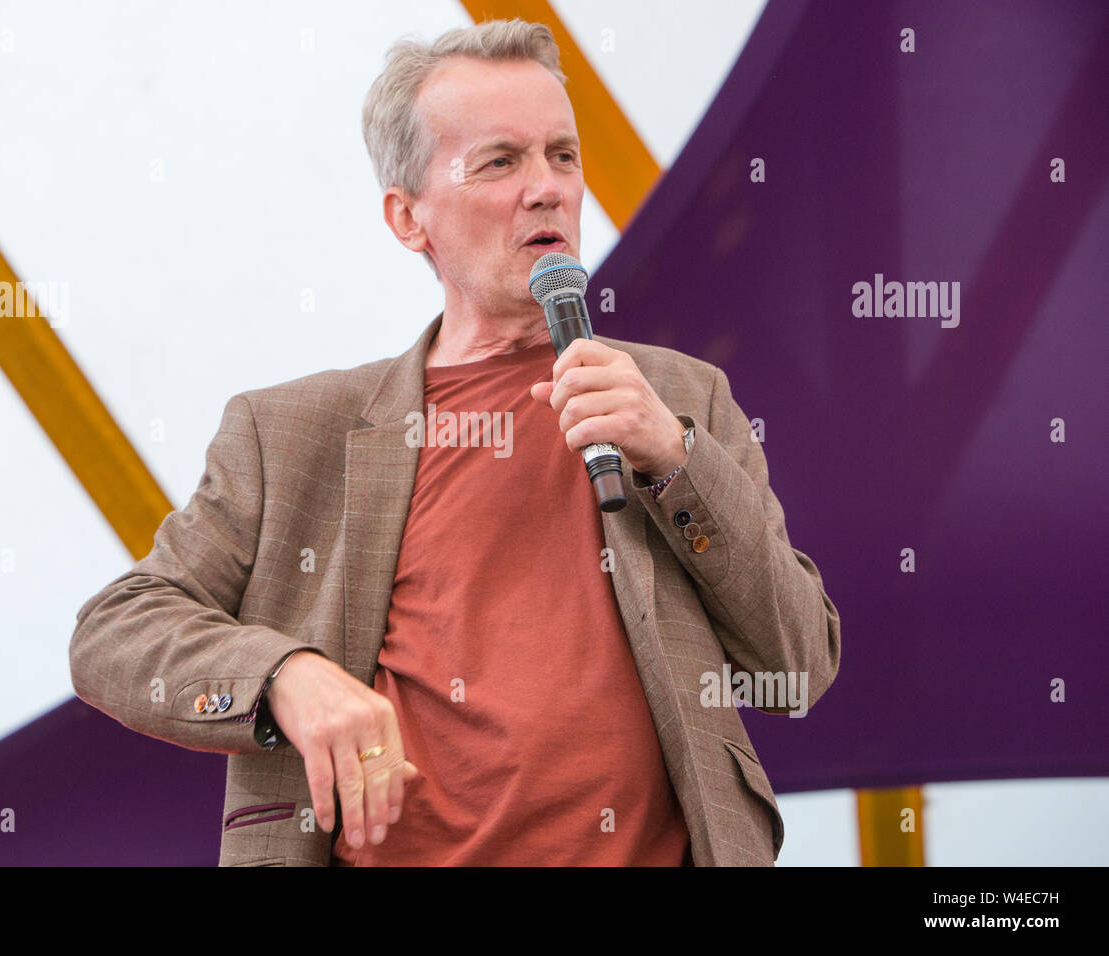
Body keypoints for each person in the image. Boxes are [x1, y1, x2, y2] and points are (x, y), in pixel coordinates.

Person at [69, 18, 840, 867]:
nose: (546, 189)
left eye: (563, 155)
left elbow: (799, 663)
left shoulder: (683, 399)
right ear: (408, 218)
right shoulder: (292, 434)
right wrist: (284, 675)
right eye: (501, 161)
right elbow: (113, 633)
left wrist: (673, 460)